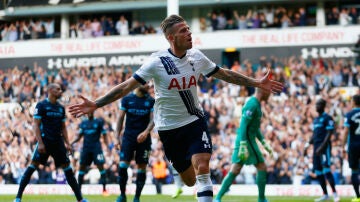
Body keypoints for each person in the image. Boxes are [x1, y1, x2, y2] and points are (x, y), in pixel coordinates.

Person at [68, 14, 283, 202]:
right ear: (171, 38)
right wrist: (96, 103)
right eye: (183, 31)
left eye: (189, 29)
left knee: (203, 166)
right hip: (168, 128)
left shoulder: (196, 57)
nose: (189, 33)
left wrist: (256, 83)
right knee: (190, 181)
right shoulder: (156, 62)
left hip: (194, 120)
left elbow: (224, 73)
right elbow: (126, 86)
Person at [14, 83, 87, 202]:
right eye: (58, 89)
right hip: (45, 141)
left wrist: (67, 143)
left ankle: (80, 199)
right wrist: (40, 143)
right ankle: (18, 198)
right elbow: (36, 125)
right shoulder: (41, 105)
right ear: (50, 90)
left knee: (68, 169)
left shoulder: (61, 108)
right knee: (32, 166)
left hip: (58, 143)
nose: (60, 91)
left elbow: (63, 127)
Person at [214, 87, 273, 202]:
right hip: (247, 141)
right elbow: (243, 125)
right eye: (269, 91)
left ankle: (218, 198)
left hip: (244, 140)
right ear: (263, 91)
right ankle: (261, 199)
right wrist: (243, 145)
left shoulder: (256, 103)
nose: (270, 94)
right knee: (262, 167)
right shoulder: (252, 104)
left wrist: (263, 142)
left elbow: (254, 128)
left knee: (235, 169)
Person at [115, 85, 155, 202]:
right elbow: (120, 118)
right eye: (146, 82)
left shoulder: (151, 101)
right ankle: (122, 195)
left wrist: (146, 132)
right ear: (138, 83)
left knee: (142, 167)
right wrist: (117, 137)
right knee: (122, 165)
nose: (148, 85)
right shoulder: (127, 99)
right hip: (128, 138)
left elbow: (154, 119)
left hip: (144, 139)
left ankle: (137, 197)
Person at [305, 98, 340, 202]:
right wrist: (307, 145)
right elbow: (314, 135)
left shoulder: (327, 118)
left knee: (326, 170)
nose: (316, 106)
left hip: (324, 148)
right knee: (318, 171)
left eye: (318, 105)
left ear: (323, 106)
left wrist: (321, 147)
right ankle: (325, 194)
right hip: (316, 148)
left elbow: (329, 134)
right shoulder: (316, 120)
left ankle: (335, 194)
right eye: (316, 105)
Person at [71, 111, 109, 196]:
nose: (89, 113)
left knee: (101, 167)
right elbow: (79, 136)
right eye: (88, 112)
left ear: (93, 112)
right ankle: (79, 191)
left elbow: (105, 135)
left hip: (96, 149)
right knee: (81, 168)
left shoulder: (98, 122)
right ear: (86, 113)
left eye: (91, 111)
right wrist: (71, 143)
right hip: (86, 149)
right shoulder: (83, 123)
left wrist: (108, 147)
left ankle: (104, 190)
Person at [342, 94, 360, 202]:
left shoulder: (349, 114)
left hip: (353, 146)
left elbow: (345, 132)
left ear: (354, 102)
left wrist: (342, 144)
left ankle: (358, 197)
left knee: (354, 170)